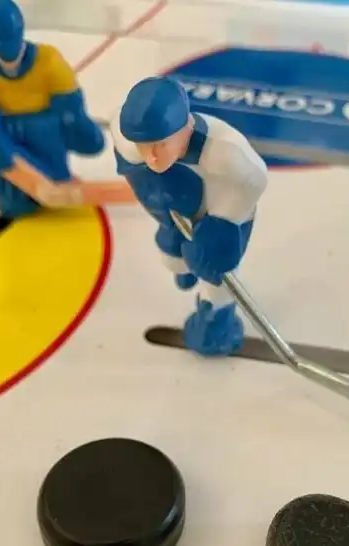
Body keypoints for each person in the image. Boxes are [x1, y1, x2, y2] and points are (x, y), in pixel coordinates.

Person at [111, 76, 268, 356]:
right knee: (172, 252)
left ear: (187, 129)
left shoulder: (226, 154)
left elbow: (255, 181)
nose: (152, 157)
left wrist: (222, 223)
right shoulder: (126, 142)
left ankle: (217, 320)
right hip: (175, 207)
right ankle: (184, 269)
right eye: (144, 146)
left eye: (161, 144)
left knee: (216, 268)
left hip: (220, 210)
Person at [0, 0, 106, 219]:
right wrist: (5, 159)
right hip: (7, 136)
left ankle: (52, 176)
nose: (7, 45)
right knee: (16, 202)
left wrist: (81, 131)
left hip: (47, 131)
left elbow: (70, 108)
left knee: (57, 179)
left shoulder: (48, 59)